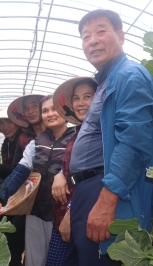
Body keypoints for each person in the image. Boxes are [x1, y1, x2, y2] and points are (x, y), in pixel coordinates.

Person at [63, 9, 153, 265]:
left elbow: (133, 142)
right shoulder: (107, 81)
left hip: (108, 192)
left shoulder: (128, 75)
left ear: (121, 36)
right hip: (89, 190)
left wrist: (106, 202)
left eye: (101, 31)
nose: (93, 40)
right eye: (86, 36)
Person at [0, 95, 75, 266]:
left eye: (54, 109)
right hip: (36, 212)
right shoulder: (37, 142)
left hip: (63, 212)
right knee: (34, 260)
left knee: (59, 260)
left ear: (64, 110)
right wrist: (0, 198)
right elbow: (20, 171)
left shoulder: (76, 138)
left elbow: (81, 171)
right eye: (45, 111)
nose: (50, 114)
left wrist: (63, 173)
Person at [46, 77, 97, 266]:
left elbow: (91, 178)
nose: (80, 103)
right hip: (63, 215)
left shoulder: (100, 133)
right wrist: (59, 173)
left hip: (79, 215)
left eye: (87, 96)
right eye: (76, 98)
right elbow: (71, 168)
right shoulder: (79, 132)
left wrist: (70, 212)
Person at [0, 109, 34, 266]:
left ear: (19, 122)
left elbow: (23, 173)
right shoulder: (6, 144)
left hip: (29, 196)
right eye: (1, 124)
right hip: (15, 193)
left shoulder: (25, 140)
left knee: (14, 238)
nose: (5, 127)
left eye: (9, 122)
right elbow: (11, 174)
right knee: (4, 233)